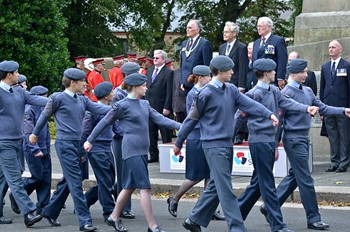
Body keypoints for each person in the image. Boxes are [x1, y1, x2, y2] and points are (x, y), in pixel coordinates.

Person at [173, 55, 279, 232]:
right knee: (226, 189)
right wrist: (178, 142)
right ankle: (237, 228)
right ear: (220, 72)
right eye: (229, 69)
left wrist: (269, 114)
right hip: (213, 146)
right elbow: (191, 120)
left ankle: (194, 219)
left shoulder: (230, 89)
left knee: (216, 184)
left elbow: (250, 104)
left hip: (227, 144)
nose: (232, 72)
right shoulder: (204, 94)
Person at [259, 58, 350, 230]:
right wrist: (275, 144)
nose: (306, 74)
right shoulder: (285, 92)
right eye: (303, 72)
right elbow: (278, 119)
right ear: (293, 73)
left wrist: (343, 110)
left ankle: (270, 206)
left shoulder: (307, 91)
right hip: (293, 140)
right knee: (306, 179)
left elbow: (323, 107)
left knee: (296, 175)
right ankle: (313, 218)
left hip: (303, 138)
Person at [84, 73, 181, 232]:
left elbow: (160, 119)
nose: (146, 88)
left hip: (142, 151)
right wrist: (90, 140)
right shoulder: (121, 105)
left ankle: (113, 217)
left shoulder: (144, 104)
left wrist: (181, 126)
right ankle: (152, 225)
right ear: (135, 87)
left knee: (128, 187)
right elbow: (104, 122)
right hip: (131, 151)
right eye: (143, 85)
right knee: (145, 187)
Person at [236, 59, 318, 232]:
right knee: (267, 185)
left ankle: (235, 214)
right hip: (258, 142)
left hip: (268, 142)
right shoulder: (252, 94)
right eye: (273, 71)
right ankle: (278, 225)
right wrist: (228, 139)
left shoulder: (273, 90)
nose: (275, 74)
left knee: (259, 183)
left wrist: (306, 108)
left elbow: (288, 103)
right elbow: (239, 117)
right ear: (266, 74)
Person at [29, 68, 111, 232]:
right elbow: (44, 117)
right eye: (82, 82)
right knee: (75, 183)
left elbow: (100, 109)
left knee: (69, 180)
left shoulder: (82, 100)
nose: (85, 85)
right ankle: (84, 221)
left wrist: (120, 108)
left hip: (78, 144)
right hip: (65, 144)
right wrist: (34, 135)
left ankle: (48, 211)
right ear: (73, 83)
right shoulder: (57, 98)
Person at [167, 65, 224, 221]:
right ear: (200, 77)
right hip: (196, 137)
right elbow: (195, 118)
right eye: (208, 76)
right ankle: (174, 198)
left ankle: (208, 208)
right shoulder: (193, 94)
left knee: (210, 175)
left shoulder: (206, 91)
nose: (210, 79)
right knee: (195, 176)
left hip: (206, 136)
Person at [0, 60, 45, 227]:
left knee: (2, 178)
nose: (19, 75)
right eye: (17, 72)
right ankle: (29, 212)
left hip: (15, 141)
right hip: (4, 142)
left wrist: (57, 101)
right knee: (15, 179)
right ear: (9, 74)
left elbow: (37, 100)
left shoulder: (18, 91)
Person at [82, 82, 116, 221]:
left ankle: (84, 202)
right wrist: (82, 152)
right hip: (95, 149)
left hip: (107, 148)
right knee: (105, 180)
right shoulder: (93, 111)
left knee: (108, 180)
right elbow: (85, 132)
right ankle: (109, 211)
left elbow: (116, 128)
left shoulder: (110, 109)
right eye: (112, 91)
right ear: (107, 95)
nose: (114, 93)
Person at [110, 62, 141, 220]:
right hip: (122, 138)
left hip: (131, 138)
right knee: (124, 174)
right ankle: (123, 208)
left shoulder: (132, 92)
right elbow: (115, 121)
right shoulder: (118, 94)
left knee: (129, 173)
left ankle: (117, 193)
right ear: (128, 77)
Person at [320, 40, 350, 173]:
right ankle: (334, 162)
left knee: (344, 135)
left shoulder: (347, 65)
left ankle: (344, 162)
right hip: (328, 107)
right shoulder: (325, 66)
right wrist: (321, 107)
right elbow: (323, 87)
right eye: (329, 47)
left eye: (333, 47)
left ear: (340, 50)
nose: (331, 49)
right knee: (332, 136)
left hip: (343, 108)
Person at [22, 86, 52, 216]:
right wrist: (35, 149)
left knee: (46, 180)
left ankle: (43, 208)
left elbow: (47, 131)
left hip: (44, 150)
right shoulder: (29, 111)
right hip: (33, 150)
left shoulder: (44, 110)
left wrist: (47, 148)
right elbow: (28, 132)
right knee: (37, 177)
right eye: (44, 96)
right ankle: (19, 194)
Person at [145, 50, 174, 163]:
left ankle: (167, 156)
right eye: (154, 57)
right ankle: (153, 155)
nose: (154, 59)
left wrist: (167, 107)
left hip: (162, 106)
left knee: (165, 132)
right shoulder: (149, 71)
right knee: (151, 132)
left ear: (163, 59)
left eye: (157, 58)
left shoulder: (168, 72)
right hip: (150, 106)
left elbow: (169, 91)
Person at [252, 16, 288, 90]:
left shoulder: (278, 40)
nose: (258, 28)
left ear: (269, 27)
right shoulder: (256, 42)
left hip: (270, 78)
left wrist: (280, 78)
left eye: (260, 26)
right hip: (258, 78)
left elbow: (282, 60)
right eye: (257, 26)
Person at [180, 19, 212, 94]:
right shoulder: (184, 43)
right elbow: (182, 64)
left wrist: (206, 81)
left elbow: (207, 65)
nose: (187, 30)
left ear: (197, 30)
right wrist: (181, 81)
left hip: (199, 83)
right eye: (187, 28)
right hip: (186, 84)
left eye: (190, 28)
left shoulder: (204, 43)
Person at [219, 21, 248, 91]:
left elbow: (242, 67)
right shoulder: (222, 47)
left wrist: (241, 86)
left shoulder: (241, 47)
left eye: (227, 32)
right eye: (224, 32)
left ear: (234, 33)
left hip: (235, 84)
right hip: (222, 83)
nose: (224, 34)